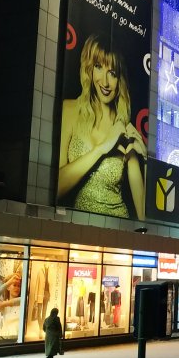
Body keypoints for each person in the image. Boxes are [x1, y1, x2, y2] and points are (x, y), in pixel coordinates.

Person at [58, 34, 146, 220]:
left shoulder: (124, 127)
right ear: (89, 68)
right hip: (75, 229)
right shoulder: (70, 110)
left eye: (112, 73)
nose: (105, 82)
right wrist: (102, 149)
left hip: (118, 227)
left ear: (119, 79)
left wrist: (145, 160)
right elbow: (55, 188)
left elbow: (143, 218)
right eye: (98, 67)